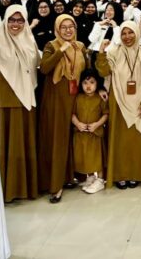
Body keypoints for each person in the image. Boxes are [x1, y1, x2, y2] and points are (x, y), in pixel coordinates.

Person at [0, 4, 39, 202]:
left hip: (24, 98)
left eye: (20, 20)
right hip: (1, 99)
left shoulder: (29, 40)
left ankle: (19, 188)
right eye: (12, 20)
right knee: (1, 147)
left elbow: (37, 65)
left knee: (20, 147)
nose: (16, 24)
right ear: (6, 21)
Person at [96, 21, 141, 190]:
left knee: (135, 138)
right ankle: (119, 174)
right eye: (124, 33)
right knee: (119, 139)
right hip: (118, 100)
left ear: (137, 33)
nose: (127, 37)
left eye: (131, 32)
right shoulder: (114, 51)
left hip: (139, 101)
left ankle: (136, 173)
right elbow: (104, 72)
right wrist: (101, 52)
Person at [38, 14, 89, 203]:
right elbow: (44, 68)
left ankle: (69, 176)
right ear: (57, 29)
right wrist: (61, 50)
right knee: (58, 140)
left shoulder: (80, 46)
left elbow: (87, 72)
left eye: (71, 26)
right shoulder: (51, 45)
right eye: (64, 27)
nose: (68, 30)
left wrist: (98, 89)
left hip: (75, 98)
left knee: (72, 138)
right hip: (56, 100)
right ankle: (55, 184)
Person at [71, 69, 109, 194]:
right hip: (81, 134)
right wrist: (77, 123)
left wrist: (97, 124)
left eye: (92, 82)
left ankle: (100, 179)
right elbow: (72, 113)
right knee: (85, 156)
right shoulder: (78, 98)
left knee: (97, 157)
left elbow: (106, 114)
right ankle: (91, 177)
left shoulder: (100, 98)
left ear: (97, 83)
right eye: (85, 83)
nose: (88, 86)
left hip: (95, 134)